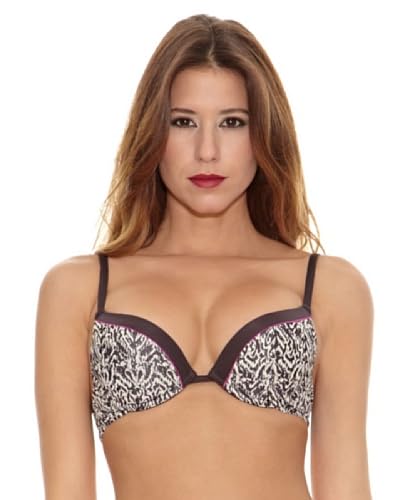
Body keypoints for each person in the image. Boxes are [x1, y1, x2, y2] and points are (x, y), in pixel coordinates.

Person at [34, 13, 374, 500]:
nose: (207, 150)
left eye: (232, 122)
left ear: (264, 135)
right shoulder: (79, 289)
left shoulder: (329, 288)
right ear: (153, 133)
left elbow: (347, 489)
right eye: (183, 122)